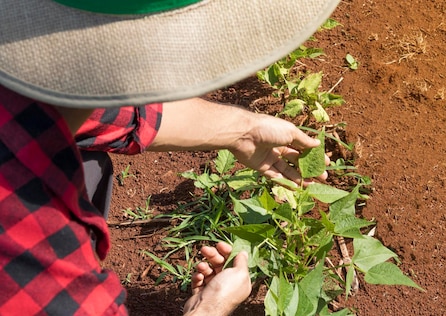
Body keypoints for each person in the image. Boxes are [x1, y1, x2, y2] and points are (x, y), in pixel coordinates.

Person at [0, 0, 340, 315]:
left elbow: (112, 114)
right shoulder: (34, 274)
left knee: (90, 168)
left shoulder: (25, 89)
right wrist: (208, 307)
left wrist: (244, 130)